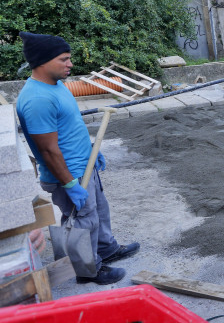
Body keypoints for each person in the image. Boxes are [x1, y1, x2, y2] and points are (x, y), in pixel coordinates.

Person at [15, 32, 139, 285]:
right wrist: (70, 184)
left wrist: (91, 149)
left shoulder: (55, 85)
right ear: (42, 61)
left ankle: (105, 249)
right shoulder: (37, 99)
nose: (70, 64)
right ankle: (87, 269)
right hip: (68, 173)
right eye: (64, 59)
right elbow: (48, 150)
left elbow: (68, 127)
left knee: (98, 211)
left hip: (84, 163)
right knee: (82, 221)